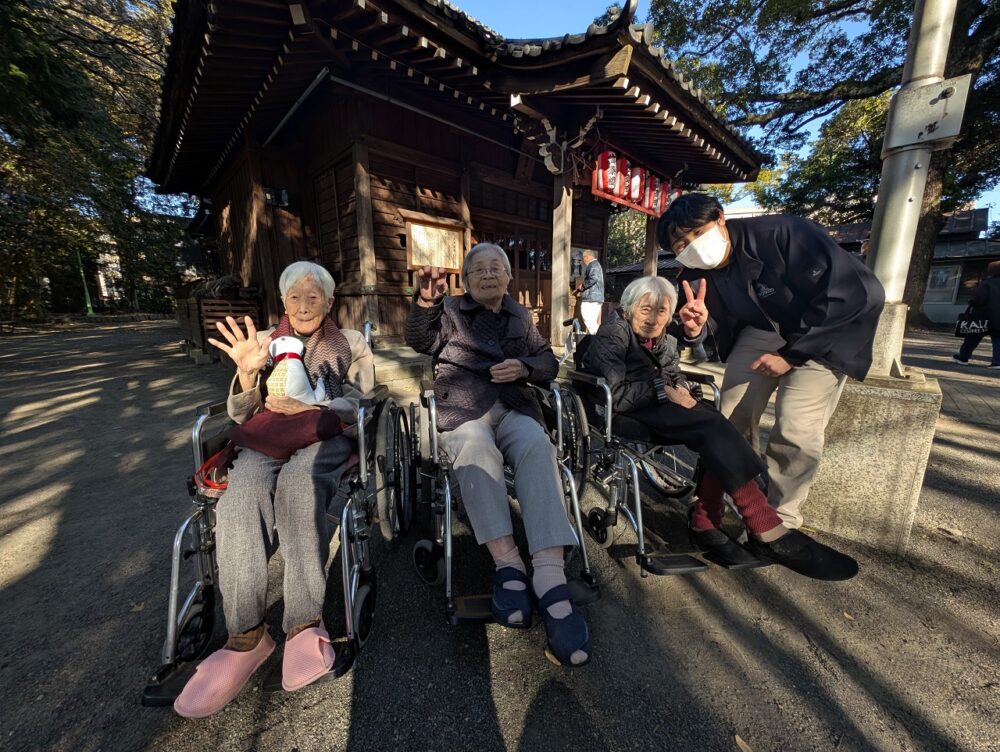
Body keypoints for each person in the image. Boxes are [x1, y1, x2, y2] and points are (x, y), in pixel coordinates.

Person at [173, 261, 374, 718]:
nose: (304, 306)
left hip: (324, 434)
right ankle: (246, 635)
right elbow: (242, 416)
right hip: (267, 437)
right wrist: (247, 377)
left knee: (300, 488)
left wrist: (313, 403)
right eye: (295, 297)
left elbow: (362, 400)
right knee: (240, 492)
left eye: (314, 297)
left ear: (329, 302)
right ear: (283, 302)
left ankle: (303, 622)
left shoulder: (353, 343)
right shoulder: (261, 342)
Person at [579, 276, 858, 579]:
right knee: (711, 427)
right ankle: (758, 522)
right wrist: (665, 392)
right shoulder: (612, 334)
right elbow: (615, 392)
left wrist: (686, 393)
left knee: (717, 422)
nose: (653, 318)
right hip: (621, 407)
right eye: (646, 309)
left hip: (658, 402)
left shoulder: (665, 338)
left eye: (662, 311)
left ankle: (709, 518)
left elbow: (673, 373)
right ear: (629, 307)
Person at [405, 243, 590, 667]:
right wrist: (425, 301)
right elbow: (418, 338)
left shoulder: (520, 316)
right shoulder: (448, 310)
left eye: (497, 269)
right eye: (479, 270)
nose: (488, 275)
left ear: (508, 278)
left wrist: (525, 367)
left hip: (515, 406)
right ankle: (508, 565)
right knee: (474, 448)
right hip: (464, 408)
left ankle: (548, 573)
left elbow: (548, 361)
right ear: (466, 280)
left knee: (538, 446)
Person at [658, 193, 885, 530]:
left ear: (720, 218)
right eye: (680, 242)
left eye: (696, 232)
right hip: (762, 330)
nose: (690, 245)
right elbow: (702, 325)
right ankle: (739, 497)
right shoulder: (695, 269)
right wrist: (696, 327)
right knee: (730, 415)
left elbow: (859, 292)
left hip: (824, 330)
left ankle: (782, 520)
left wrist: (791, 355)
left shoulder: (783, 233)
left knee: (795, 425)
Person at [952, 260, 1000, 368]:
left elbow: (978, 300)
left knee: (972, 337)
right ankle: (997, 362)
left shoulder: (987, 283)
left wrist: (971, 302)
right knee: (998, 339)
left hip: (983, 316)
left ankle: (963, 358)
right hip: (998, 318)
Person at [577, 249, 605, 334]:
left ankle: (601, 336)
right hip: (595, 297)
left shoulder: (593, 265)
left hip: (592, 297)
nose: (583, 261)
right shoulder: (596, 265)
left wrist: (583, 286)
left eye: (583, 258)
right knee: (591, 321)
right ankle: (598, 339)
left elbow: (593, 278)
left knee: (587, 318)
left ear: (587, 257)